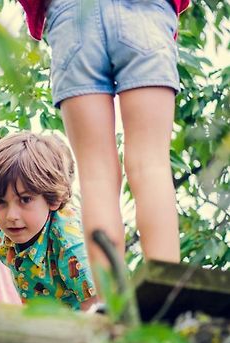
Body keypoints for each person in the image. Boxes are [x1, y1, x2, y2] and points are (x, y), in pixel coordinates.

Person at [17, 0, 190, 287]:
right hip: (145, 11)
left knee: (96, 174)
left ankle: (112, 300)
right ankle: (167, 290)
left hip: (72, 14)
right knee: (151, 165)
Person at [0, 131, 96, 312]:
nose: (11, 216)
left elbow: (95, 309)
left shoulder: (69, 242)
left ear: (53, 200)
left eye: (25, 199)